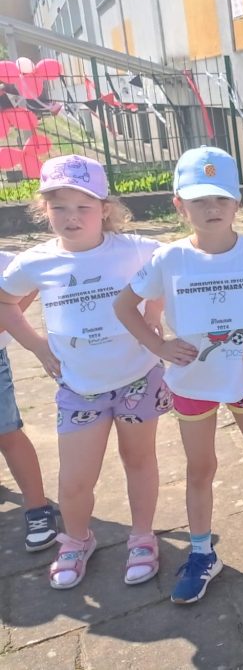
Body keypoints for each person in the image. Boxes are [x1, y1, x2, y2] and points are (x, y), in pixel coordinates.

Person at [114, 146, 243, 604]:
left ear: (237, 203)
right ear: (179, 205)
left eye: (221, 198)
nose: (212, 208)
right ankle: (203, 553)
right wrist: (159, 347)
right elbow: (124, 306)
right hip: (192, 387)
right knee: (200, 469)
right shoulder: (168, 259)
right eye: (199, 200)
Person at [0, 155, 170, 589]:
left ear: (105, 209)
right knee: (75, 480)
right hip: (80, 389)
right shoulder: (34, 262)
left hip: (138, 379)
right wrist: (37, 346)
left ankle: (142, 536)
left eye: (83, 206)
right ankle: (76, 540)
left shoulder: (134, 249)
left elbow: (168, 268)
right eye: (59, 207)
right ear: (44, 210)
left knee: (139, 462)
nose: (71, 217)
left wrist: (154, 312)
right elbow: (5, 302)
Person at [0, 257, 61, 554]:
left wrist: (6, 321)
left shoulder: (6, 261)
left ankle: (37, 508)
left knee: (6, 433)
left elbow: (31, 277)